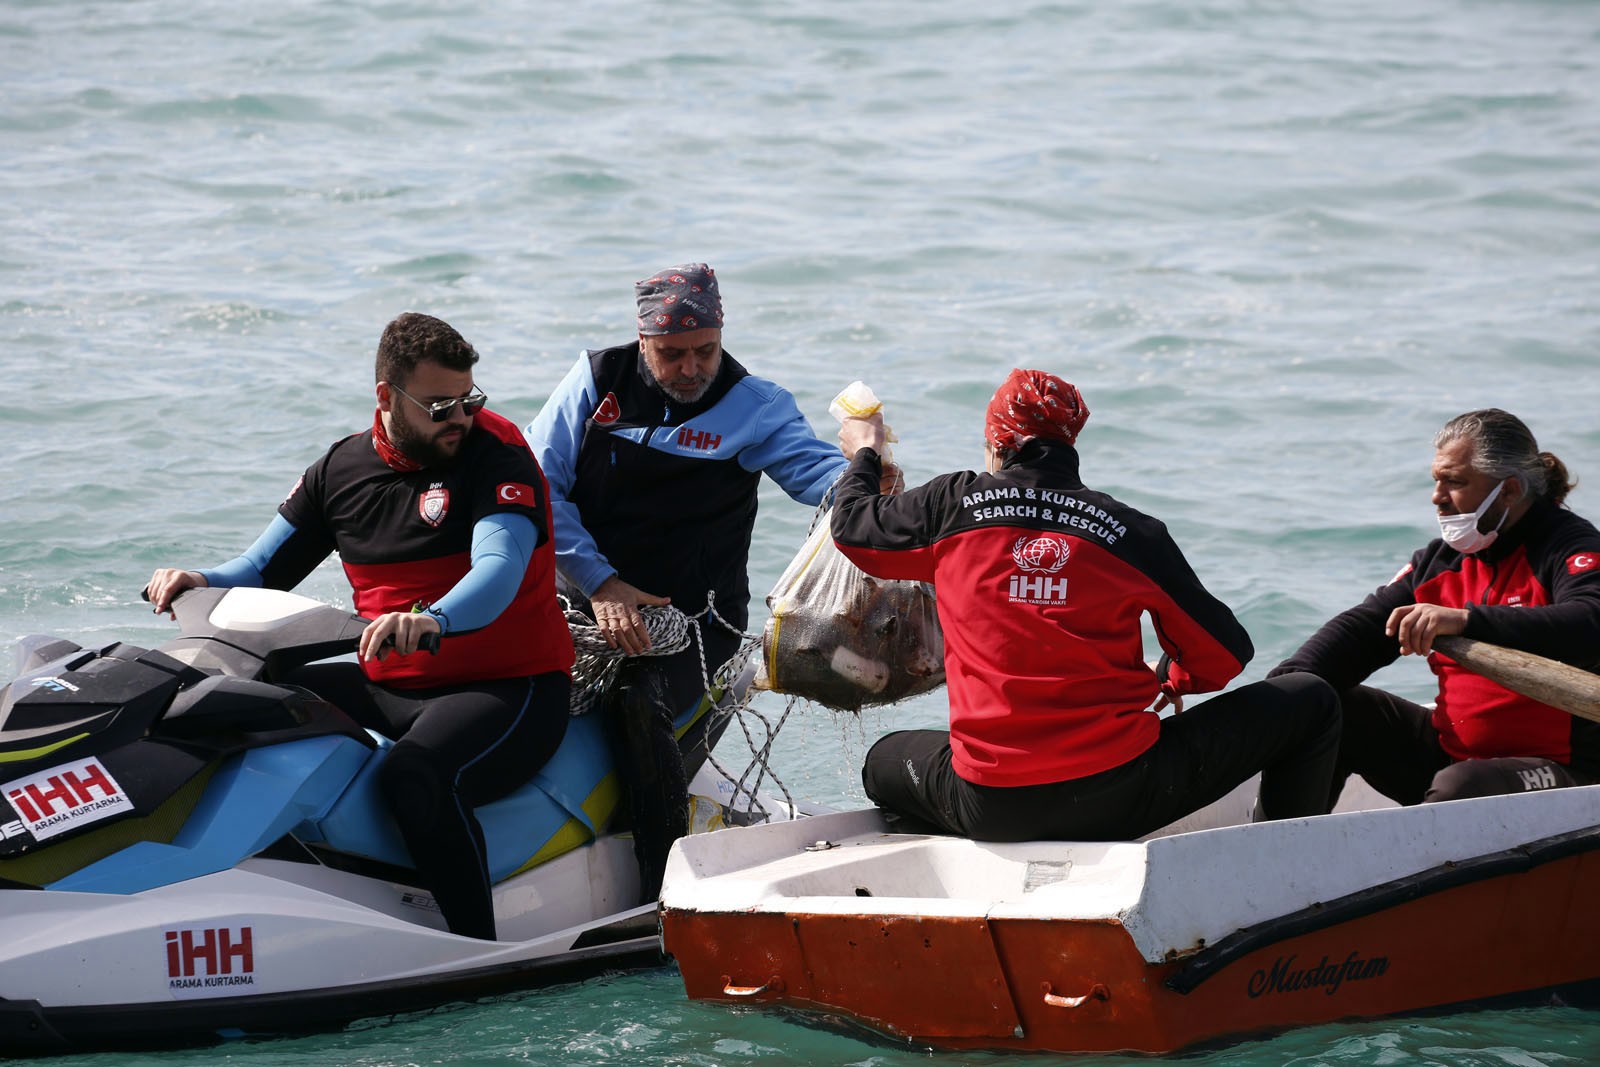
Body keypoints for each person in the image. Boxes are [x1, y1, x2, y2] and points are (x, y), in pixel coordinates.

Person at [145, 312, 575, 940]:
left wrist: (432, 618)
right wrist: (199, 580)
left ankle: (473, 944)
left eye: (469, 399)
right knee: (238, 699)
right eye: (440, 404)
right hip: (393, 683)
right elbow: (262, 567)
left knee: (416, 775)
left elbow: (500, 568)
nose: (460, 416)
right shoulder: (339, 471)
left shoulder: (497, 454)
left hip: (511, 687)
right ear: (386, 398)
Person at [830, 368, 1341, 841]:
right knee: (1310, 701)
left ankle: (968, 875)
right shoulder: (1129, 532)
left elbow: (852, 527)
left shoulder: (949, 507)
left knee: (884, 762)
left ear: (996, 444)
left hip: (988, 804)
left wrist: (866, 453)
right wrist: (1170, 677)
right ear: (1070, 442)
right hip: (1119, 795)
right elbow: (1225, 656)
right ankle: (1282, 863)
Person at [524, 262, 883, 898]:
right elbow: (536, 487)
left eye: (705, 351)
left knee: (638, 699)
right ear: (642, 343)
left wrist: (870, 474)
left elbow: (825, 485)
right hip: (586, 599)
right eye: (671, 354)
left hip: (693, 622)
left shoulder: (755, 405)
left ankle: (658, 891)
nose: (691, 369)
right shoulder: (594, 381)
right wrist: (601, 583)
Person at [1271, 408, 1600, 807]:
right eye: (1436, 481)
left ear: (1510, 490)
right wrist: (1282, 688)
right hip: (1453, 760)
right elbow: (1364, 629)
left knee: (1463, 789)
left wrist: (1465, 620)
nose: (1437, 497)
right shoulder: (1440, 561)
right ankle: (1276, 852)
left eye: (1455, 482)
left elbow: (1590, 621)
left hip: (1568, 772)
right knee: (1322, 704)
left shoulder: (1571, 548)